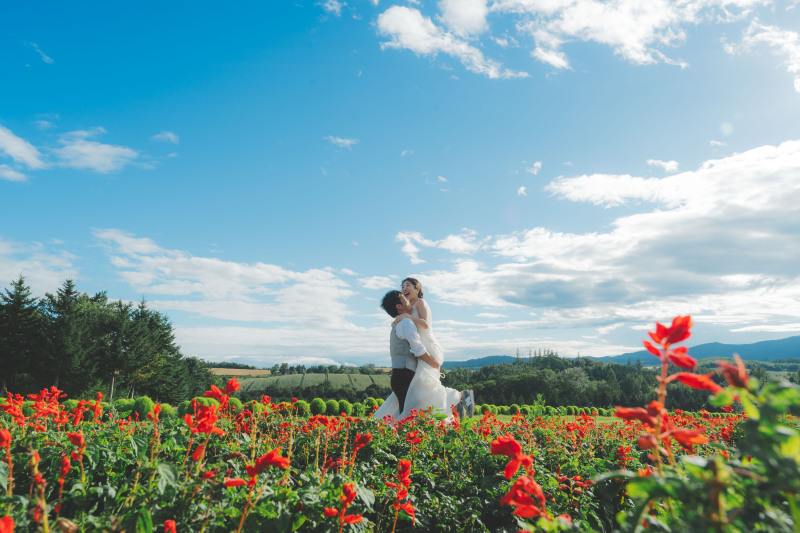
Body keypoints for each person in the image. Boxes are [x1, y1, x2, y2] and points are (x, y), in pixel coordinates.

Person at [396, 278, 476, 417]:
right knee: (425, 386)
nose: (404, 288)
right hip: (418, 350)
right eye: (402, 286)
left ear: (417, 289)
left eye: (408, 285)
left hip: (428, 347)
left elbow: (425, 324)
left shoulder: (420, 303)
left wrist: (407, 316)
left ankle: (462, 396)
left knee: (425, 387)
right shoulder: (408, 308)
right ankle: (455, 401)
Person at [372, 290, 441, 420]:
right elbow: (417, 349)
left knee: (408, 416)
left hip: (402, 375)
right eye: (404, 298)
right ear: (399, 306)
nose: (408, 300)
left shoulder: (401, 323)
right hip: (404, 375)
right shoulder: (406, 323)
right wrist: (434, 364)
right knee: (407, 418)